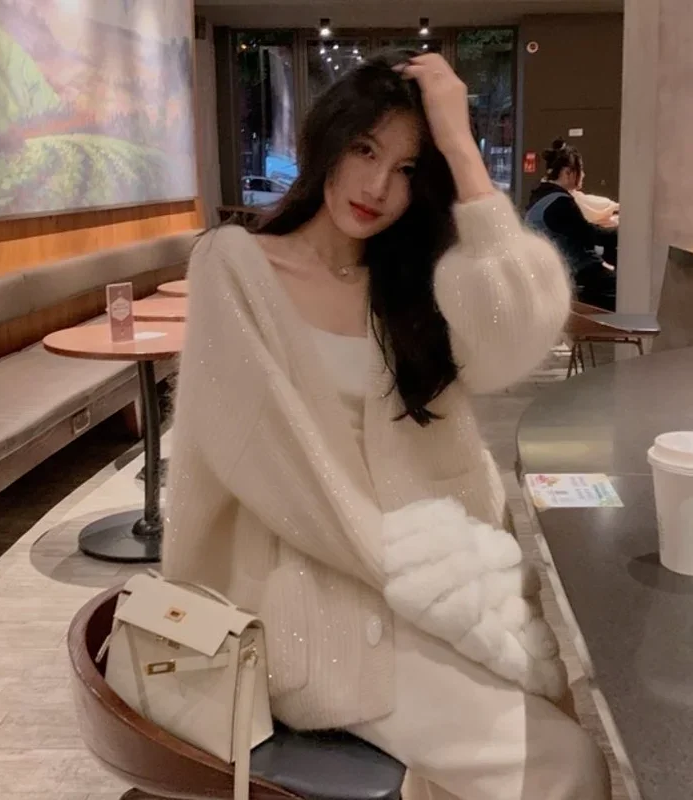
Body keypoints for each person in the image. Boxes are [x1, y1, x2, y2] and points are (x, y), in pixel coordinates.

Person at [162, 51, 611, 800]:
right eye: (365, 150)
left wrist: (460, 144)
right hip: (310, 604)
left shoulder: (408, 282)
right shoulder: (234, 266)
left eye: (406, 169)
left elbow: (522, 327)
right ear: (326, 141)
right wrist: (432, 576)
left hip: (425, 588)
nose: (376, 187)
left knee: (551, 736)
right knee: (565, 765)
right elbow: (271, 466)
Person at [526, 138, 617, 310]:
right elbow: (588, 234)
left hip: (555, 270)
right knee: (625, 290)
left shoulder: (539, 197)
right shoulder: (560, 202)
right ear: (568, 172)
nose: (583, 175)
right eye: (580, 170)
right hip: (573, 273)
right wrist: (622, 233)